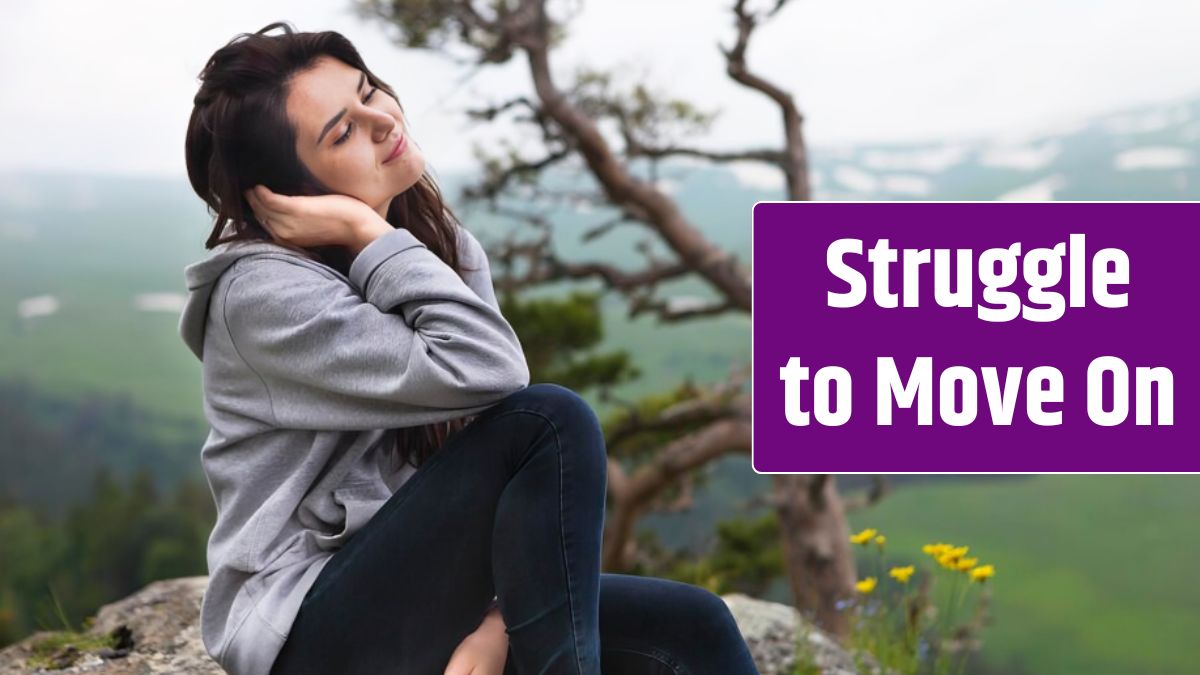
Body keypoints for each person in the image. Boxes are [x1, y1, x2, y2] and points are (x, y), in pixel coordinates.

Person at [181, 20, 761, 675]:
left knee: (694, 624)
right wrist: (363, 227)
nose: (381, 120)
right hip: (305, 631)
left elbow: (491, 444)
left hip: (416, 589)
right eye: (341, 131)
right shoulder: (262, 294)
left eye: (370, 91)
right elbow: (496, 377)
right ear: (293, 192)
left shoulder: (437, 246)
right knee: (551, 419)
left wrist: (494, 625)